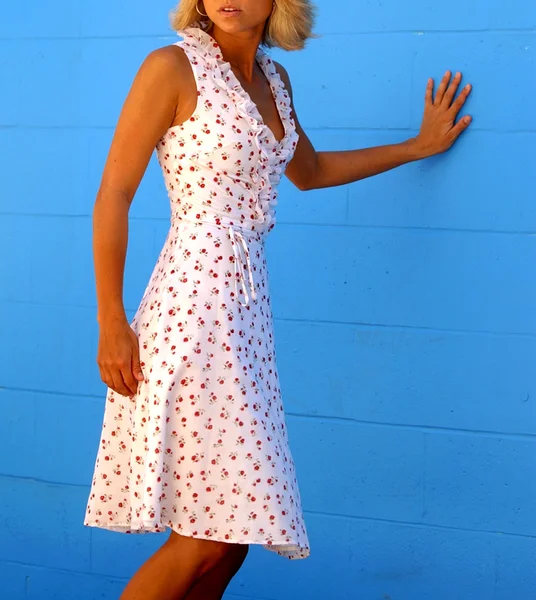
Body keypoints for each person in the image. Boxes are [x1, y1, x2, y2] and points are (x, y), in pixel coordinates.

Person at [83, 1, 473, 599]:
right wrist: (112, 319)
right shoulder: (171, 67)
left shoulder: (274, 80)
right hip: (191, 308)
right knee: (206, 535)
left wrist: (417, 147)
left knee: (233, 536)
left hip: (245, 320)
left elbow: (309, 170)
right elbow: (114, 193)